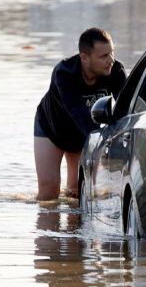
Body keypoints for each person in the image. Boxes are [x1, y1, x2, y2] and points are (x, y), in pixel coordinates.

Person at [34, 27, 126, 201]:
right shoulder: (64, 73)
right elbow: (77, 112)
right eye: (104, 56)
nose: (111, 60)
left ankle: (73, 227)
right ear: (84, 57)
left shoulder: (116, 71)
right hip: (51, 129)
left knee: (77, 193)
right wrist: (100, 144)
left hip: (82, 132)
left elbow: (126, 110)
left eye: (112, 53)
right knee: (49, 194)